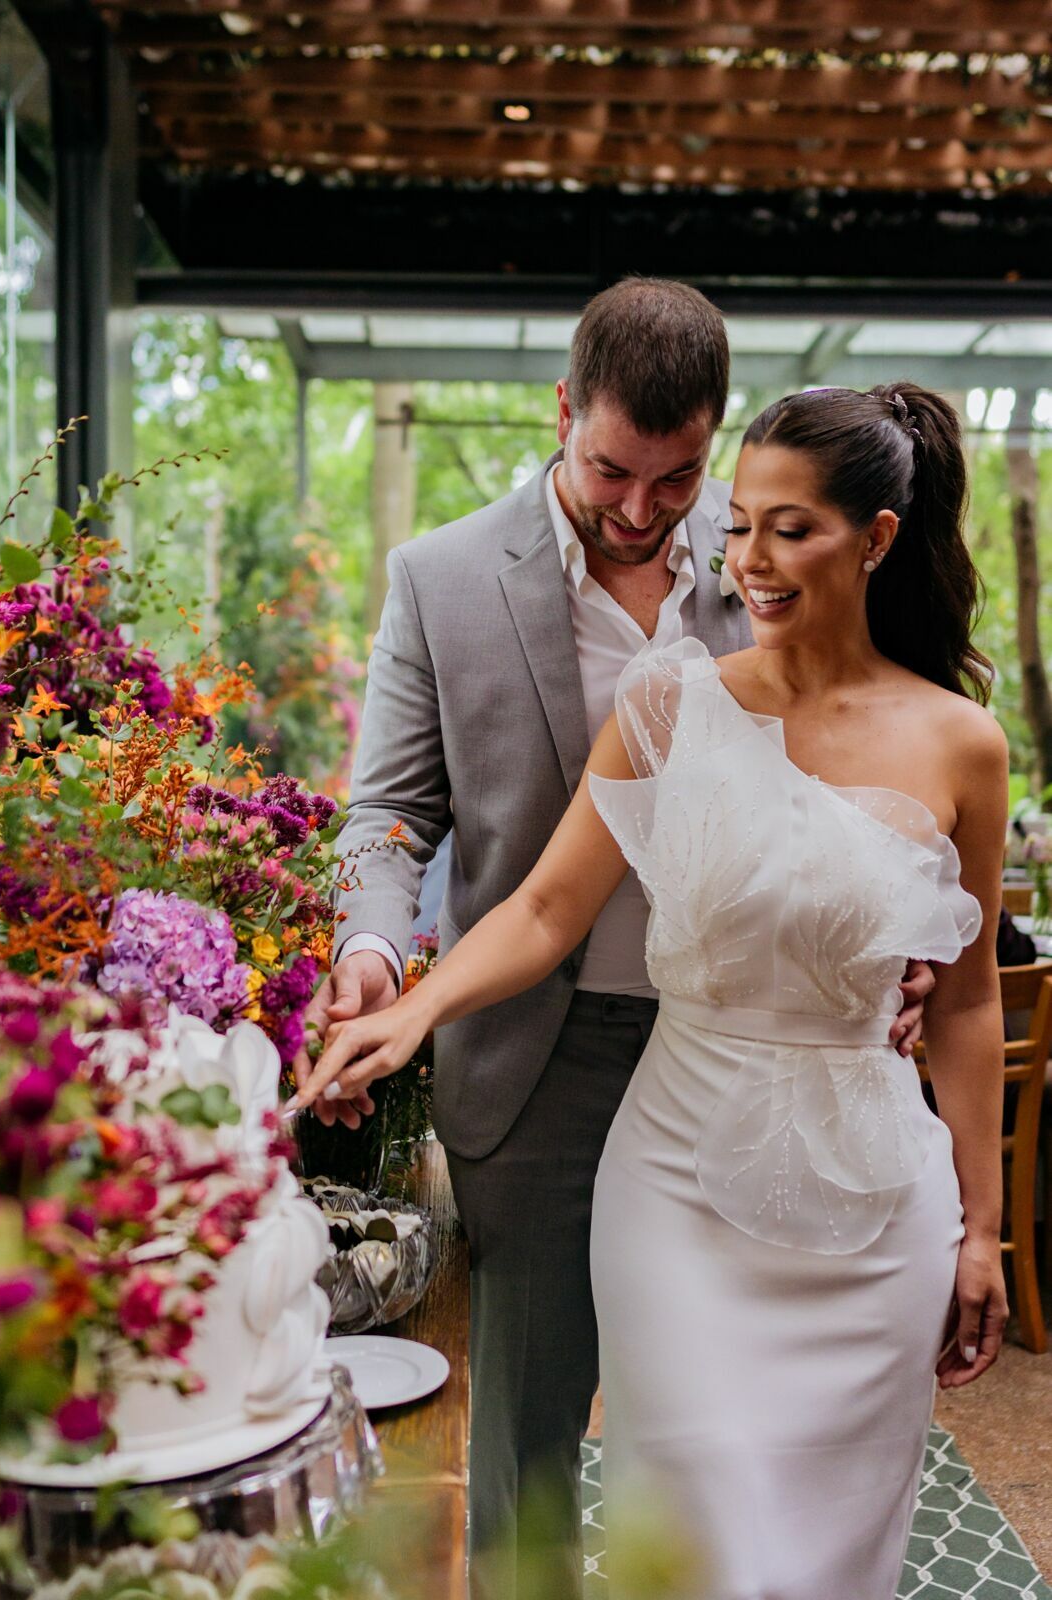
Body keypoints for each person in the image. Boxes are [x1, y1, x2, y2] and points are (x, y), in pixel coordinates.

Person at [292, 379, 1009, 1600]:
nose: (750, 557)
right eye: (740, 526)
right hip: (674, 1179)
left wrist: (981, 1229)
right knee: (688, 1531)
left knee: (834, 1545)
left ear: (876, 539)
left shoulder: (960, 744)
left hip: (876, 1200)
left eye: (790, 528)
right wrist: (411, 1005)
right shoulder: (670, 706)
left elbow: (967, 998)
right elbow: (540, 907)